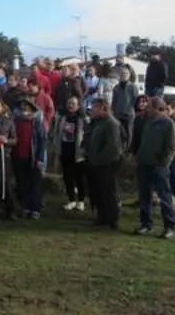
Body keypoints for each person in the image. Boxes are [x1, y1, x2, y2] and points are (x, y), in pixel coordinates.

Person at [134, 97, 175, 239]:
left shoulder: (168, 124)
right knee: (144, 196)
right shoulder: (148, 122)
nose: (146, 109)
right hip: (144, 164)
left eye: (149, 107)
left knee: (165, 197)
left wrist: (163, 163)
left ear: (157, 108)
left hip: (159, 166)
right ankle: (146, 224)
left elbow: (171, 147)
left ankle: (169, 227)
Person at [85, 98, 123, 229]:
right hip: (94, 162)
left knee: (108, 192)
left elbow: (112, 147)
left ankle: (112, 219)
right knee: (97, 192)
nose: (92, 110)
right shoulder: (97, 123)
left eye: (95, 107)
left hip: (107, 163)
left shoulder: (111, 124)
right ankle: (102, 216)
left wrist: (98, 159)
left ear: (103, 108)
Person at [11, 98, 47, 219]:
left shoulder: (37, 122)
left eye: (26, 107)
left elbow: (42, 140)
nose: (24, 109)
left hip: (33, 157)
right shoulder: (15, 121)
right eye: (22, 106)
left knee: (35, 184)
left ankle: (35, 209)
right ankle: (25, 207)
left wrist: (40, 158)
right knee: (22, 184)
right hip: (18, 156)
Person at [54, 97, 90, 212]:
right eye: (69, 103)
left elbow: (87, 135)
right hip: (65, 149)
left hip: (78, 152)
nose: (71, 106)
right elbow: (56, 133)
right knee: (67, 177)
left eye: (73, 104)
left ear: (78, 106)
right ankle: (71, 200)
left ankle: (81, 200)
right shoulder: (62, 118)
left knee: (80, 177)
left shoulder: (83, 119)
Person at [111, 68, 137, 149]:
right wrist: (113, 110)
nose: (124, 75)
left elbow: (135, 99)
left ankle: (128, 149)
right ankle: (120, 147)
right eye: (122, 73)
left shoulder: (133, 86)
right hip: (118, 113)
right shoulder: (116, 87)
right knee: (119, 131)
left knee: (129, 131)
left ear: (129, 75)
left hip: (129, 113)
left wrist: (132, 109)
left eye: (126, 73)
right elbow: (114, 100)